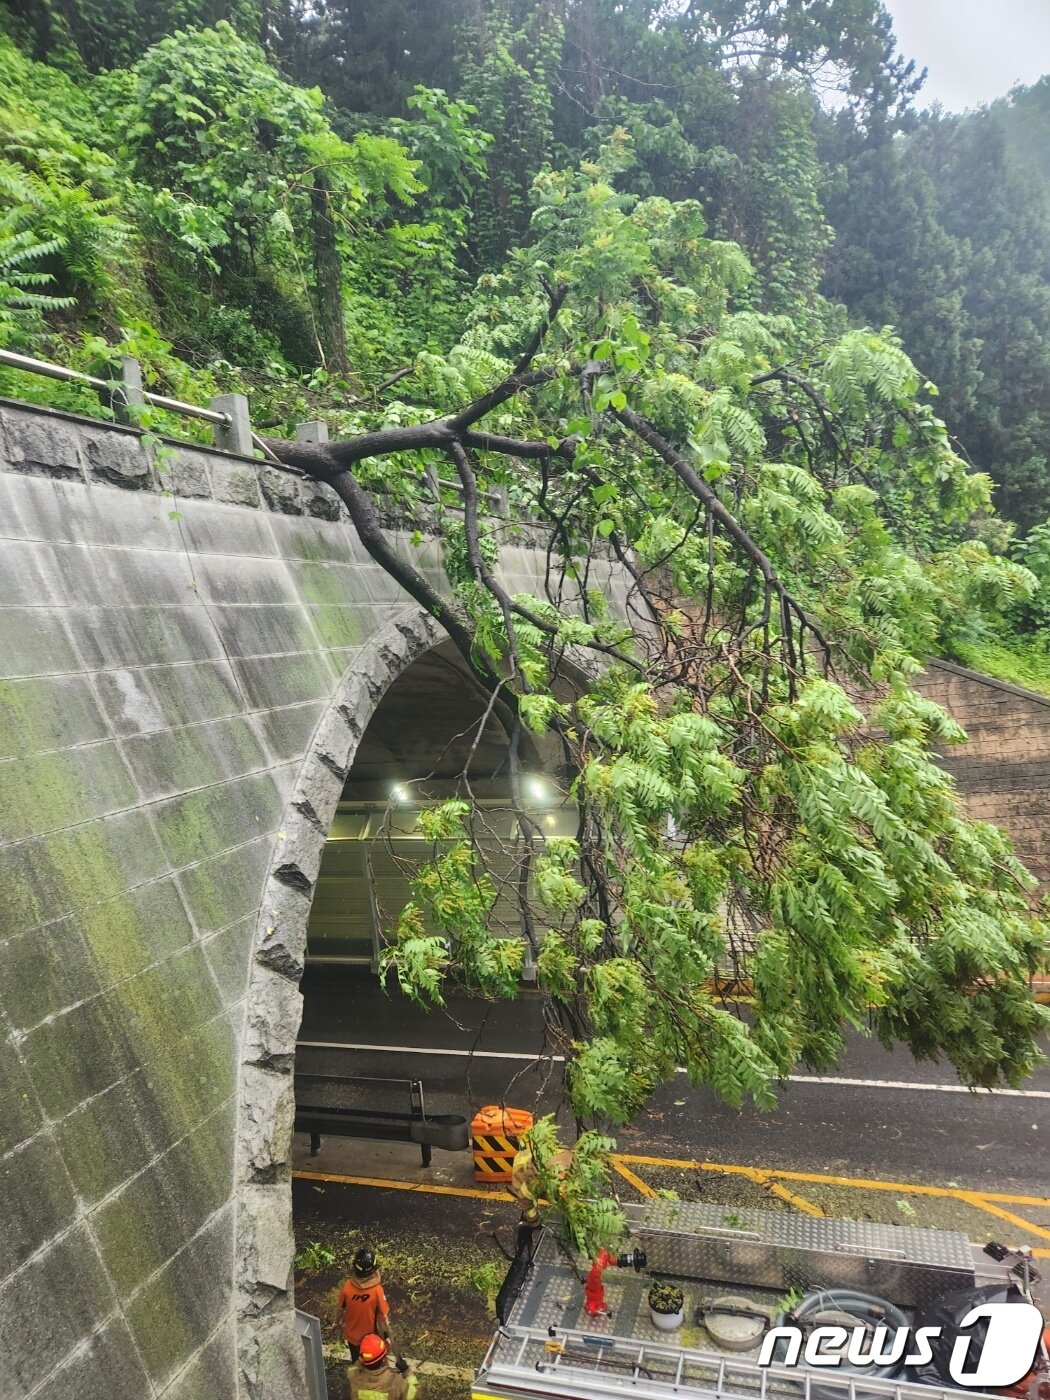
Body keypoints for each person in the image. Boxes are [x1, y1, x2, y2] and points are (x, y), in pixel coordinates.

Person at [337, 1246, 391, 1361]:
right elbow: (382, 1318)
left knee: (356, 1363)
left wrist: (335, 1323)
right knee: (371, 1365)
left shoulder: (347, 1287)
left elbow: (340, 1309)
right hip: (370, 1342)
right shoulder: (377, 1291)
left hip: (352, 1337)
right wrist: (386, 1337)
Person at [347, 1334, 417, 1400]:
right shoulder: (395, 1382)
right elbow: (415, 1396)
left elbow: (357, 1364)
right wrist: (407, 1371)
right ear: (383, 1359)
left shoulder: (353, 1374)